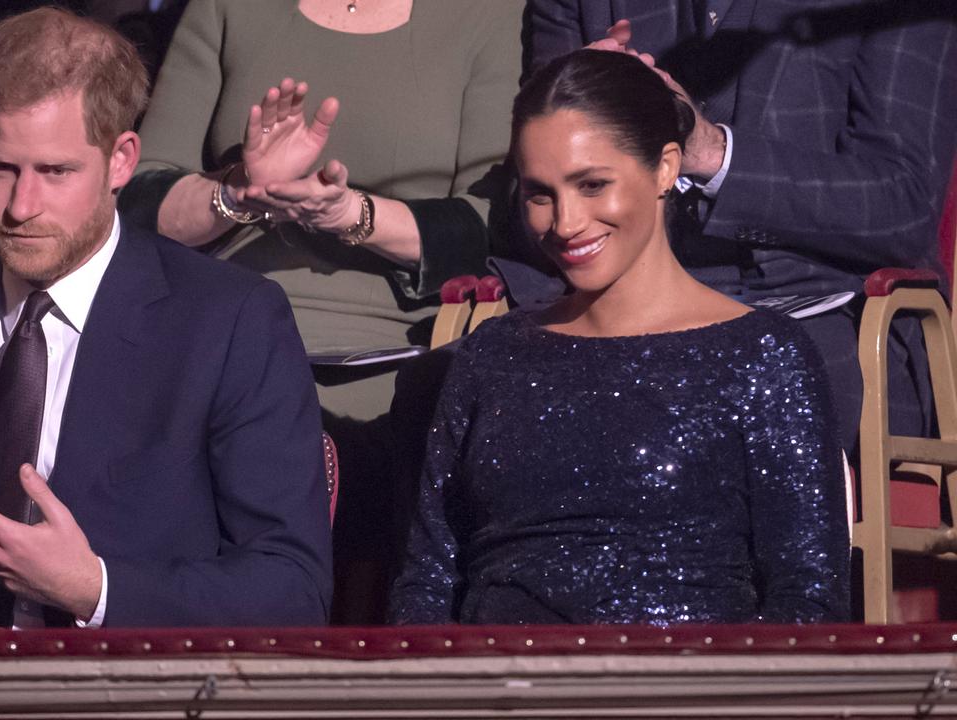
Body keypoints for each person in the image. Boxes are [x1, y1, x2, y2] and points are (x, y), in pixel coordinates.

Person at [0, 8, 332, 629]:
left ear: (121, 162)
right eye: (0, 169)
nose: (21, 207)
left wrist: (96, 590)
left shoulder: (230, 324)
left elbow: (291, 592)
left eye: (55, 172)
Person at [390, 50, 850, 625]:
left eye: (591, 184)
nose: (565, 222)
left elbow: (806, 603)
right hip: (500, 694)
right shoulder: (493, 353)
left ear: (664, 168)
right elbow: (428, 583)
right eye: (539, 193)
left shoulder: (764, 357)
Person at [118, 0, 521, 622]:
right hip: (224, 332)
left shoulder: (489, 16)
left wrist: (347, 215)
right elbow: (141, 193)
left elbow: (491, 222)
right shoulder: (226, 8)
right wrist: (240, 193)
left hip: (397, 350)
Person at [517, 2, 957, 452]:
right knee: (462, 383)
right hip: (612, 307)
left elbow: (905, 207)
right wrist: (567, 125)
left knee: (663, 405)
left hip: (821, 313)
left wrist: (711, 152)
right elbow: (534, 207)